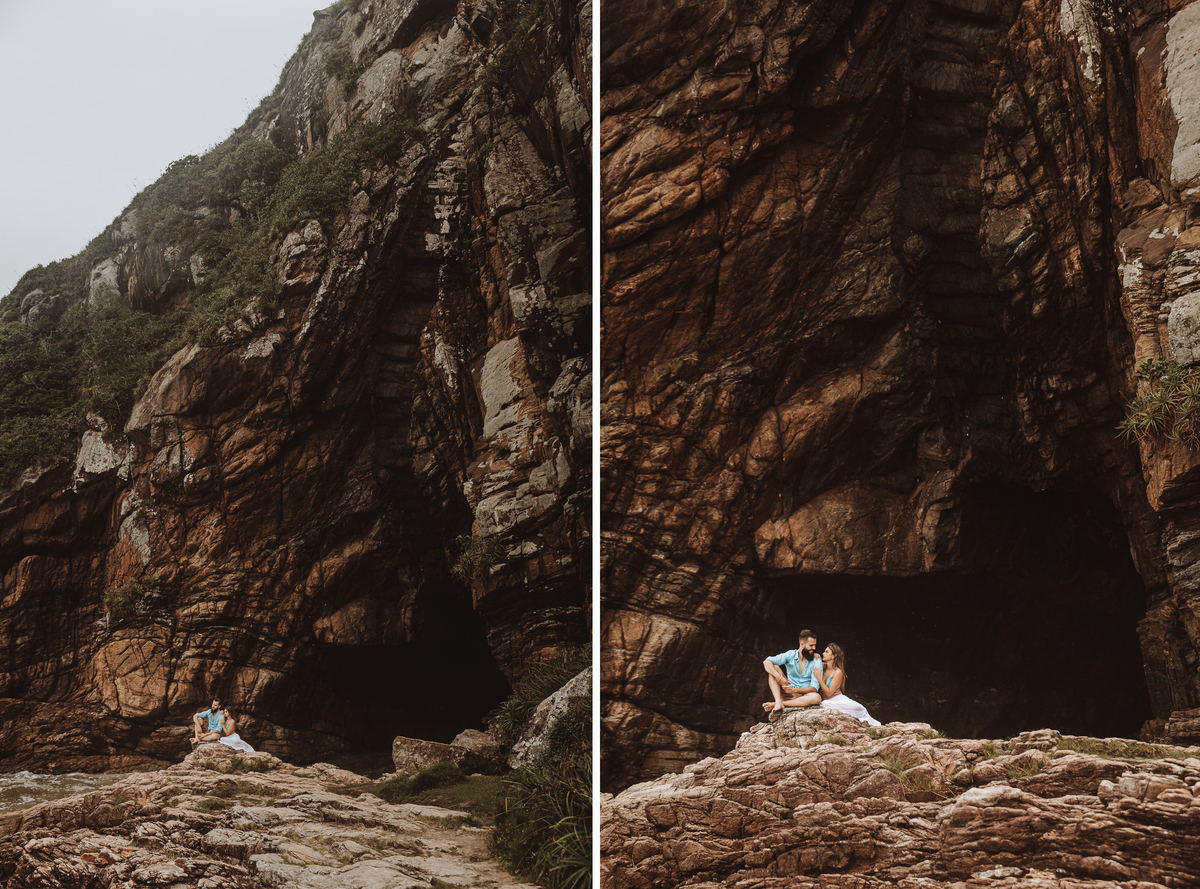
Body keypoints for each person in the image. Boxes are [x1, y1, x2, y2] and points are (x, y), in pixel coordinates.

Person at [817, 643, 881, 726]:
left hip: (837, 699)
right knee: (825, 703)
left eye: (826, 652)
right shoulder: (822, 667)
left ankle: (871, 723)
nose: (823, 653)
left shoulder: (838, 672)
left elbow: (829, 693)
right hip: (826, 701)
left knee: (859, 708)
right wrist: (815, 655)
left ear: (834, 656)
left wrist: (819, 678)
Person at [762, 629, 824, 713]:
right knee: (774, 668)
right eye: (811, 645)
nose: (814, 648)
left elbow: (814, 688)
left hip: (805, 697)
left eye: (815, 645)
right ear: (802, 644)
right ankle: (778, 700)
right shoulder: (790, 655)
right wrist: (779, 678)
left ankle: (778, 703)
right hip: (788, 694)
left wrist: (794, 690)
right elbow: (767, 662)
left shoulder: (816, 660)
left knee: (817, 697)